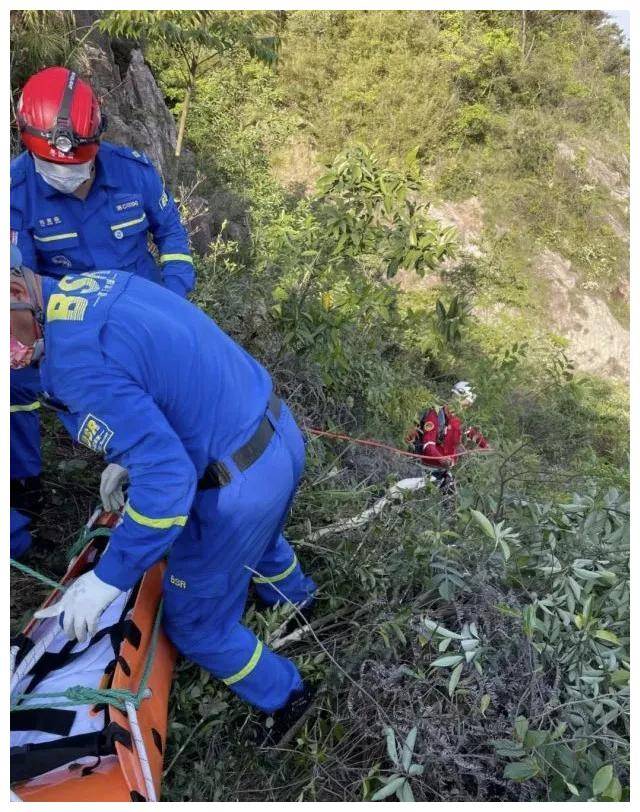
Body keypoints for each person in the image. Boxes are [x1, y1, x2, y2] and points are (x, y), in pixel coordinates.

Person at [10, 253, 317, 740]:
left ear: (16, 293)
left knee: (196, 628)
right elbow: (157, 376)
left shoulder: (74, 363)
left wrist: (108, 578)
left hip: (235, 490)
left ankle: (288, 697)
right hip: (275, 435)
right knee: (262, 541)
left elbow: (169, 483)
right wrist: (128, 452)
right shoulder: (91, 284)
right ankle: (298, 598)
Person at [10, 66, 194, 545]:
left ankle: (171, 484)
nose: (66, 172)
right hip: (69, 328)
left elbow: (171, 235)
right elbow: (19, 288)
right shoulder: (14, 194)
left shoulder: (133, 172)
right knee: (15, 385)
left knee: (172, 399)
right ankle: (21, 503)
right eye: (53, 164)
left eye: (77, 163)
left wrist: (174, 302)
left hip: (145, 319)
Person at [407, 382, 489, 493]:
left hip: (442, 471)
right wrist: (442, 459)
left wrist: (486, 445)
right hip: (424, 467)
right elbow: (428, 446)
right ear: (456, 398)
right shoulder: (435, 415)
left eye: (468, 406)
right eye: (465, 405)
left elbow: (471, 432)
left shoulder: (457, 419)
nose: (466, 408)